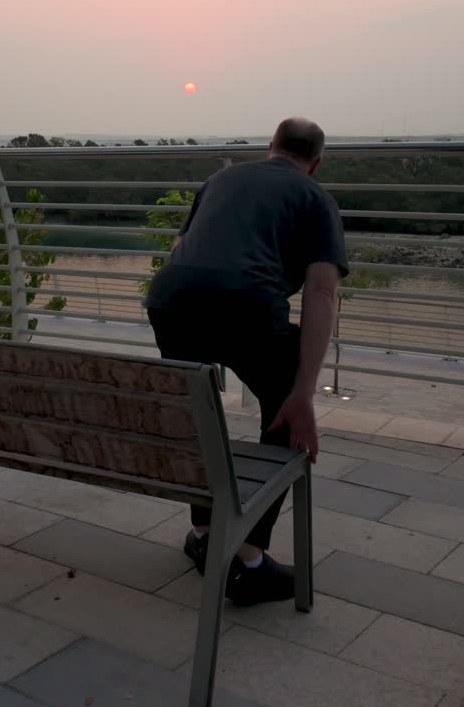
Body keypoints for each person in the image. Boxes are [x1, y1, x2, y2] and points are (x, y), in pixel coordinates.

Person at [146, 117, 348, 607]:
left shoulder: (221, 179)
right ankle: (250, 561)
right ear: (315, 163)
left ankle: (205, 531)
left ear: (270, 148)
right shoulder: (314, 197)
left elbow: (181, 249)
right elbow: (321, 291)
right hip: (249, 306)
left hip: (169, 300)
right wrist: (303, 392)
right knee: (284, 417)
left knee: (198, 413)